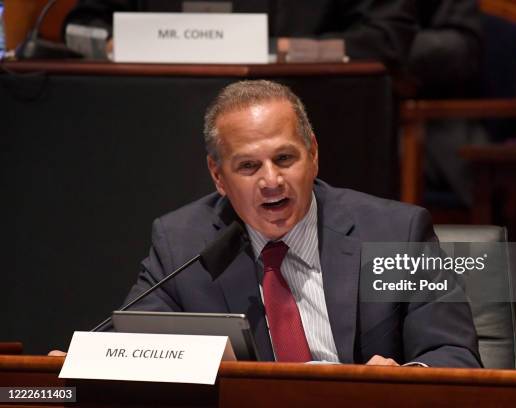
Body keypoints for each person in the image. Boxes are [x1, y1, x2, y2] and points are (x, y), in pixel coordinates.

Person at [107, 80, 480, 367]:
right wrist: (80, 363)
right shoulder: (182, 244)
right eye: (249, 166)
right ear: (218, 176)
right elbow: (132, 349)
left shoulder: (397, 233)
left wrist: (402, 379)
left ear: (313, 154)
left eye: (284, 158)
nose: (271, 181)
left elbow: (453, 353)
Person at [62, 0, 416, 67]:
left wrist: (283, 51)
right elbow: (76, 28)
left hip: (303, 110)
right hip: (149, 113)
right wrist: (114, 45)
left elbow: (386, 38)